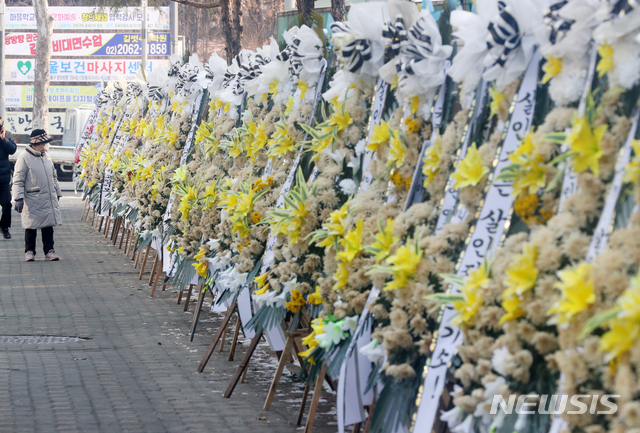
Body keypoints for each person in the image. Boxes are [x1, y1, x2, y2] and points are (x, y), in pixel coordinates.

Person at [13, 129, 62, 261]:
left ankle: (49, 251)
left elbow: (53, 176)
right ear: (36, 143)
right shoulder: (24, 157)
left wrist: (57, 191)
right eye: (43, 143)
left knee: (48, 225)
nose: (45, 146)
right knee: (31, 226)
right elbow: (18, 179)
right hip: (32, 197)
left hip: (47, 197)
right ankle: (29, 251)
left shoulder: (46, 156)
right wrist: (18, 197)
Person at [0, 118, 17, 239]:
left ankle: (4, 227)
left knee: (7, 203)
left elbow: (12, 150)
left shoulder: (7, 135)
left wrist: (4, 139)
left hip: (3, 177)